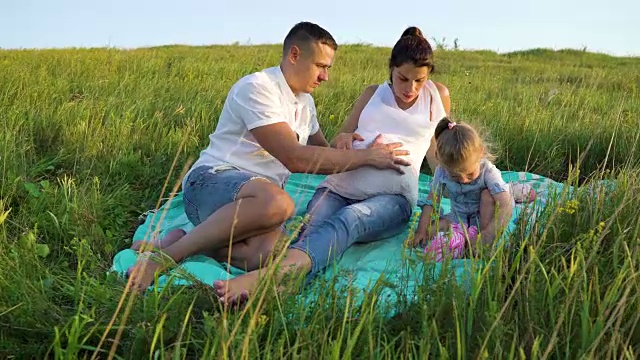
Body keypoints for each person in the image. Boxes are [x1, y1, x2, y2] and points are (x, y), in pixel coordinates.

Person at [127, 21, 412, 291]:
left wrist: (350, 140)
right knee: (278, 203)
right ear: (295, 55)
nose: (326, 76)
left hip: (252, 205)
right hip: (211, 184)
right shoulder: (257, 88)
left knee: (269, 254)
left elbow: (322, 153)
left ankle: (182, 240)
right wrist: (370, 158)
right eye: (321, 66)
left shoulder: (306, 102)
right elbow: (296, 158)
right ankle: (164, 259)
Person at [214, 26, 452, 304]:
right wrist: (347, 139)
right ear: (391, 69)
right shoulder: (372, 94)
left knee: (348, 220)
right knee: (310, 230)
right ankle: (285, 287)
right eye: (403, 78)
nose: (410, 88)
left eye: (419, 81)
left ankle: (265, 279)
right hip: (341, 185)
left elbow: (439, 156)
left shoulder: (437, 97)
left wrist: (440, 202)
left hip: (392, 197)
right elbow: (339, 139)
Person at [414, 118, 515, 260]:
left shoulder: (488, 171)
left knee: (488, 194)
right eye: (455, 176)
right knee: (428, 233)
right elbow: (431, 202)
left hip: (482, 218)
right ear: (439, 158)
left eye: (469, 174)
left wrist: (488, 234)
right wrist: (421, 230)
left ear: (481, 152)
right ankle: (463, 240)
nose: (464, 180)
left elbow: (506, 204)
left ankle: (483, 244)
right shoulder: (441, 171)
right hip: (457, 218)